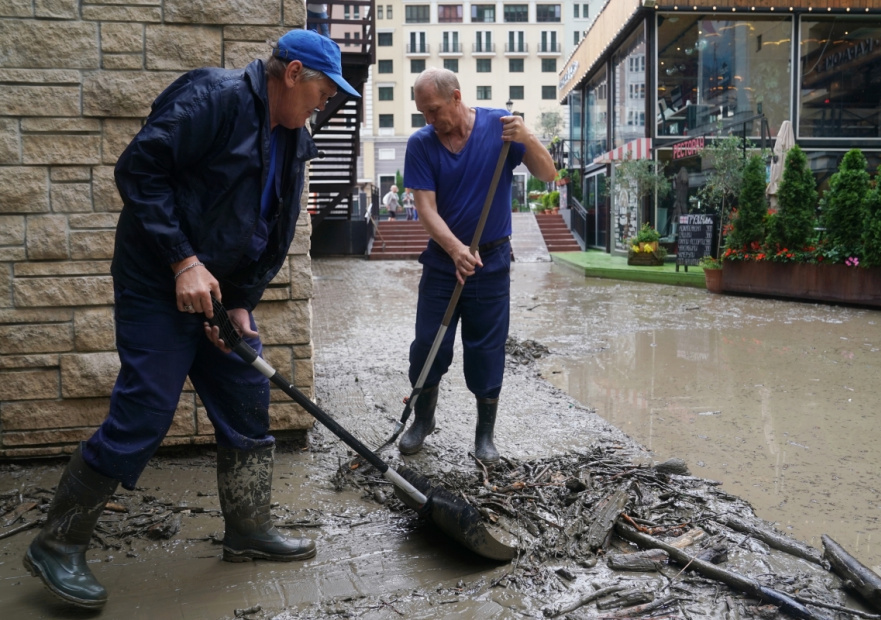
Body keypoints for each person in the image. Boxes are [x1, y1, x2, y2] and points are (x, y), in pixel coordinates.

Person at [22, 29, 360, 610]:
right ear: (294, 73)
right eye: (325, 91)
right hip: (158, 281)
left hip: (216, 292)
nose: (325, 103)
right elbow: (138, 173)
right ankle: (58, 543)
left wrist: (238, 302)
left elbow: (270, 230)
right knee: (147, 409)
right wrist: (183, 261)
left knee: (246, 394)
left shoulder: (294, 139)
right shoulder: (216, 97)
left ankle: (248, 530)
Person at [399, 68, 556, 466]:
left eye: (434, 110)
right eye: (423, 113)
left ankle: (485, 435)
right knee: (426, 345)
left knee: (486, 347)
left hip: (491, 260)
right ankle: (424, 420)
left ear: (456, 97)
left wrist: (529, 138)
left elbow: (548, 174)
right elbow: (426, 210)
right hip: (442, 261)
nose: (430, 120)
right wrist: (454, 250)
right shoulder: (421, 144)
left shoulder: (501, 129)